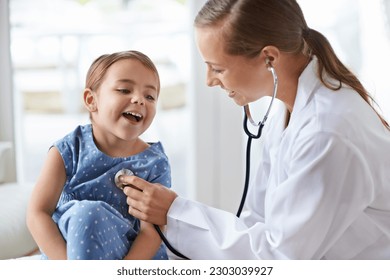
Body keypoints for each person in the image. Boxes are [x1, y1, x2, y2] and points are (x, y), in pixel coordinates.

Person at [121, 0, 390, 259]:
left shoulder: (327, 132)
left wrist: (175, 212)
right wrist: (175, 217)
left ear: (269, 58)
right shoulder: (288, 111)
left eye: (218, 68)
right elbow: (257, 224)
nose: (209, 81)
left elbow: (278, 257)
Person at [26, 50, 171, 260]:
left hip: (128, 257)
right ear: (91, 100)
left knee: (90, 215)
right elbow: (37, 214)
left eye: (150, 96)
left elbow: (151, 232)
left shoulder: (155, 163)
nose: (140, 100)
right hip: (70, 256)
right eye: (124, 89)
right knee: (87, 214)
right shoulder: (67, 150)